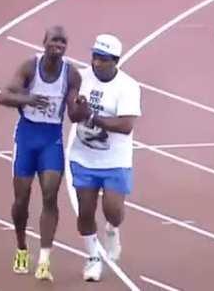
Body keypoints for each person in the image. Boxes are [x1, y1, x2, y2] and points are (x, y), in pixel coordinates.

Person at [0, 25, 88, 281]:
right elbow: (3, 96)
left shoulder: (71, 75)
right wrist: (28, 99)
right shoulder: (29, 67)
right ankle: (22, 247)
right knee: (22, 198)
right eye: (54, 41)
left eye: (63, 42)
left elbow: (73, 113)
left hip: (51, 139)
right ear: (44, 42)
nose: (58, 46)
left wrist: (82, 108)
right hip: (27, 137)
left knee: (50, 195)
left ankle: (45, 259)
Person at [69, 33, 142, 282]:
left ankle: (112, 230)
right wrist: (76, 108)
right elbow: (72, 113)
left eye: (102, 59)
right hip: (83, 157)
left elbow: (125, 125)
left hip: (115, 160)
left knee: (113, 211)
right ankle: (93, 258)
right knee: (85, 212)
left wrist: (92, 117)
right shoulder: (80, 77)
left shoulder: (129, 86)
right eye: (94, 57)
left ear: (115, 61)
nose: (96, 63)